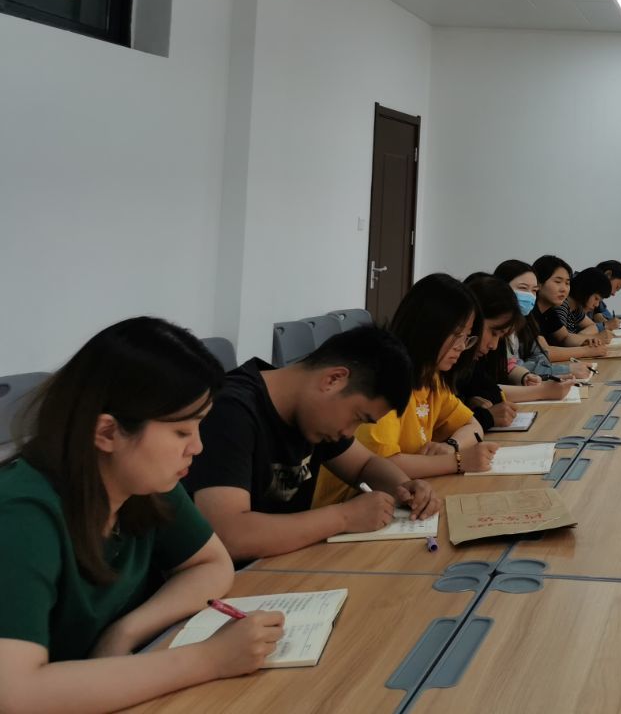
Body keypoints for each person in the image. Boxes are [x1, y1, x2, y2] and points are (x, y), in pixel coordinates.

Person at [0, 318, 285, 712]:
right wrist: (210, 659)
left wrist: (124, 632)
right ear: (107, 432)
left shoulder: (143, 482)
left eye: (199, 427)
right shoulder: (21, 515)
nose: (197, 448)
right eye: (181, 432)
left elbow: (212, 564)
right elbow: (15, 694)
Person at [185, 325, 439, 563]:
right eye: (357, 417)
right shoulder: (229, 411)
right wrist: (344, 517)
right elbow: (229, 535)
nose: (348, 432)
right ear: (333, 380)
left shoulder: (309, 412)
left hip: (284, 565)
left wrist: (404, 488)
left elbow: (365, 465)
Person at [312, 274, 496, 508]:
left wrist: (451, 446)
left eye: (467, 337)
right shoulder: (387, 378)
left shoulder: (432, 378)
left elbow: (472, 424)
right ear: (428, 328)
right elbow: (383, 463)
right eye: (456, 335)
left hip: (391, 499)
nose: (461, 347)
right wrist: (457, 461)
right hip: (350, 502)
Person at [457, 271, 577, 426]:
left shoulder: (529, 322)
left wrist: (524, 376)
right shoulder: (458, 359)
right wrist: (543, 390)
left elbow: (490, 390)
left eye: (534, 290)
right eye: (523, 288)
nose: (494, 345)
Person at [492, 258, 585, 389]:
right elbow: (509, 367)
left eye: (534, 290)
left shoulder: (526, 319)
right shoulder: (495, 326)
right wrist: (564, 369)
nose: (530, 296)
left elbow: (540, 355)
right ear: (500, 287)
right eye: (523, 288)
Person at [533, 255, 605, 351]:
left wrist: (587, 341)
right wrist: (586, 351)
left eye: (567, 283)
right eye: (558, 282)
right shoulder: (528, 311)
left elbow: (565, 338)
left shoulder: (549, 311)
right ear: (538, 283)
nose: (564, 289)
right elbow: (545, 352)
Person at [593, 259, 621, 332]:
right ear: (607, 275)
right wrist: (603, 323)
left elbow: (607, 315)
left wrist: (600, 316)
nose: (613, 294)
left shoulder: (598, 297)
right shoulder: (583, 291)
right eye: (616, 287)